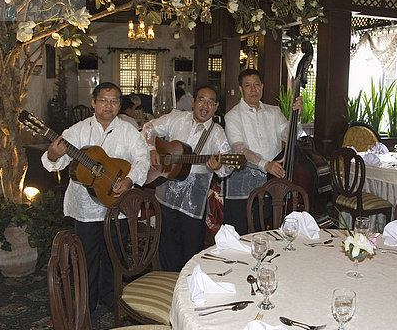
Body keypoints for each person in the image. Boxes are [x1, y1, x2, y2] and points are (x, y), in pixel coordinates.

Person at [41, 82, 150, 312]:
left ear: (119, 105)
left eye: (113, 101)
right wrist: (52, 154)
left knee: (115, 255)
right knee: (86, 258)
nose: (108, 106)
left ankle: (111, 299)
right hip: (85, 208)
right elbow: (55, 163)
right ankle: (85, 305)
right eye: (103, 100)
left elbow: (143, 159)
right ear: (93, 102)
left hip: (116, 204)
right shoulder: (76, 131)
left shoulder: (129, 130)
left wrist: (129, 180)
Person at [142, 85, 232, 272]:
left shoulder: (217, 132)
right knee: (166, 243)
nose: (205, 105)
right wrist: (151, 150)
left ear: (215, 107)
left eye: (210, 102)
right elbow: (148, 128)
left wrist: (220, 166)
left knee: (191, 246)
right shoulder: (176, 118)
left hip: (193, 199)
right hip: (166, 191)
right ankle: (167, 286)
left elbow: (228, 162)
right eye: (201, 100)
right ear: (193, 102)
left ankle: (188, 287)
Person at [223, 68, 302, 235]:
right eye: (248, 86)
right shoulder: (232, 116)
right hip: (243, 184)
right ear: (240, 89)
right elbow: (239, 149)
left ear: (262, 87)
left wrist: (297, 117)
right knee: (242, 233)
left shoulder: (274, 111)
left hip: (271, 181)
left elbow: (289, 136)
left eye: (257, 85)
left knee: (266, 230)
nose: (253, 90)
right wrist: (265, 164)